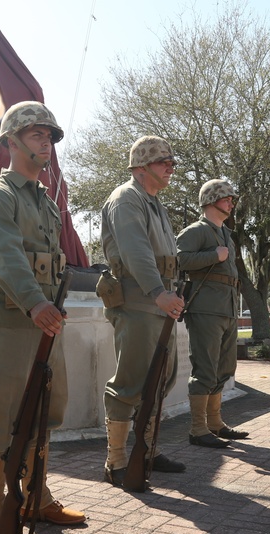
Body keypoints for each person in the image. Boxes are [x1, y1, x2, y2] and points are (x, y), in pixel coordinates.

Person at [0, 101, 86, 534]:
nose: (47, 142)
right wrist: (37, 303)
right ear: (12, 141)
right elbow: (6, 259)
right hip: (12, 323)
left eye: (50, 136)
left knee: (45, 409)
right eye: (37, 134)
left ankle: (36, 497)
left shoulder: (46, 202)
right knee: (0, 416)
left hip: (44, 323)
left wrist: (47, 308)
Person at [100, 135, 187, 487]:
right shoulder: (127, 199)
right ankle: (117, 460)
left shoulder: (154, 203)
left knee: (160, 380)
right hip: (139, 303)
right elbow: (136, 253)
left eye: (171, 162)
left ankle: (147, 449)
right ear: (141, 167)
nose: (170, 167)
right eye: (163, 161)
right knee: (130, 382)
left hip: (159, 304)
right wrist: (157, 293)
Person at [177, 179, 249, 448]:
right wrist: (213, 256)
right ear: (211, 200)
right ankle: (198, 429)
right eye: (227, 198)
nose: (231, 203)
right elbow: (178, 259)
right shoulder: (197, 231)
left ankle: (215, 423)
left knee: (224, 368)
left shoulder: (226, 235)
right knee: (205, 369)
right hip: (205, 308)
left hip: (227, 308)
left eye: (232, 199)